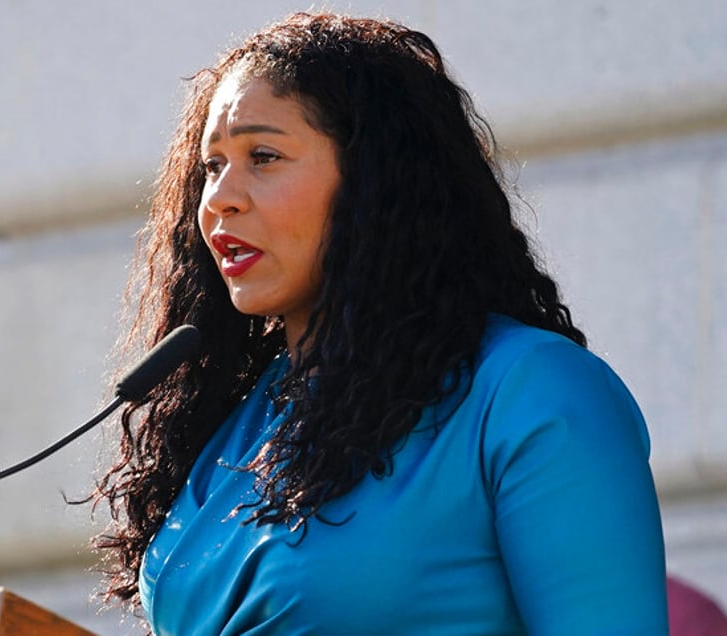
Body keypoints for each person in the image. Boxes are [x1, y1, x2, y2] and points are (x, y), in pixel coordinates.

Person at [93, 12, 668, 635]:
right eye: (211, 167)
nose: (220, 198)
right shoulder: (239, 422)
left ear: (375, 181)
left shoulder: (532, 393)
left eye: (263, 156)